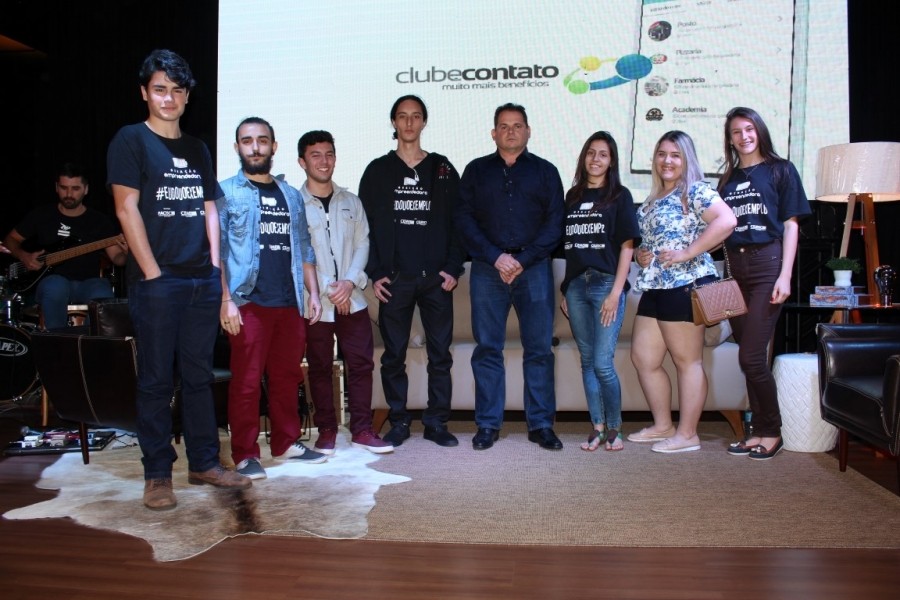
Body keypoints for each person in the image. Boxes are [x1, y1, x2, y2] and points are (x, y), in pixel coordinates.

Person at [107, 49, 251, 510]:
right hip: (158, 283)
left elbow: (210, 210)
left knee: (198, 377)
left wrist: (215, 269)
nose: (168, 98)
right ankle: (157, 474)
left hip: (201, 280)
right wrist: (152, 273)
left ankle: (204, 462)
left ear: (187, 96)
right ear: (144, 93)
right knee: (154, 380)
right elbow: (126, 208)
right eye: (159, 89)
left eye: (176, 90)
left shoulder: (197, 149)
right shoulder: (130, 140)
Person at [218, 117, 327, 481]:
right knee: (247, 382)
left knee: (286, 377)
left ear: (273, 146)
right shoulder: (225, 193)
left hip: (289, 302)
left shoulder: (291, 195)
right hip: (247, 302)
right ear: (237, 147)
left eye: (262, 140)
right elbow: (216, 252)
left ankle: (286, 442)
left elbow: (304, 248)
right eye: (247, 141)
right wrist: (225, 300)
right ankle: (245, 453)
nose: (255, 147)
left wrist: (313, 293)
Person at [456, 103, 565, 451]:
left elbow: (555, 224)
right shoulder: (475, 171)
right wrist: (497, 257)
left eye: (517, 125)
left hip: (534, 269)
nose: (511, 131)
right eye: (503, 126)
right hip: (488, 269)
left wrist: (523, 259)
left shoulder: (546, 172)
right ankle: (488, 424)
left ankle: (541, 425)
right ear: (494, 133)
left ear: (528, 131)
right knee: (488, 349)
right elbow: (464, 220)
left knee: (539, 349)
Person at [358, 95, 465, 448]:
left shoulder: (442, 168)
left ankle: (436, 423)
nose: (408, 123)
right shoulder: (377, 171)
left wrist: (453, 268)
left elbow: (459, 222)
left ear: (424, 122)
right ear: (393, 122)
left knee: (440, 355)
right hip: (395, 280)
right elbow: (364, 227)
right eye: (402, 116)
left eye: (415, 116)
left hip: (435, 279)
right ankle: (400, 421)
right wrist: (375, 272)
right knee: (393, 356)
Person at [629, 130, 736, 453]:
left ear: (686, 159)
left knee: (687, 361)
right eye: (662, 154)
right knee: (644, 358)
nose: (667, 160)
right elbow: (650, 241)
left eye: (675, 155)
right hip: (655, 286)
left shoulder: (696, 190)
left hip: (685, 284)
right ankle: (663, 426)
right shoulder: (652, 199)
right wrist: (641, 254)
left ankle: (688, 434)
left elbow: (727, 221)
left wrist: (688, 252)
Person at [718, 107, 810, 461]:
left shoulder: (780, 169)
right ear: (730, 139)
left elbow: (790, 225)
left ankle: (772, 431)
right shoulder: (726, 180)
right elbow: (719, 229)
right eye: (736, 131)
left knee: (751, 356)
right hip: (734, 269)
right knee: (749, 356)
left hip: (767, 264)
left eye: (749, 128)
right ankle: (756, 432)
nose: (744, 136)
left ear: (759, 131)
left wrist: (785, 275)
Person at [297, 130, 393, 455]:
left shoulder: (351, 201)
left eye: (329, 154)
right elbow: (298, 253)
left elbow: (363, 243)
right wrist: (329, 287)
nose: (324, 161)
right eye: (315, 155)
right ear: (302, 162)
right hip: (315, 301)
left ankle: (363, 429)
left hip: (353, 298)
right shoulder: (295, 205)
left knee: (361, 364)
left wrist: (349, 283)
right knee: (320, 366)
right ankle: (326, 430)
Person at [560, 132, 640, 452]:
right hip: (576, 287)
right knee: (587, 361)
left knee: (602, 363)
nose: (596, 159)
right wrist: (566, 290)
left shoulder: (619, 196)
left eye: (603, 154)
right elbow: (570, 248)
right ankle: (597, 426)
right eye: (591, 153)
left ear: (612, 161)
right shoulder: (572, 196)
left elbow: (627, 247)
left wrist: (616, 293)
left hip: (607, 285)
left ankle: (615, 428)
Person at [4, 163, 128, 329]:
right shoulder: (42, 215)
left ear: (86, 189)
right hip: (50, 283)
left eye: (75, 188)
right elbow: (10, 239)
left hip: (88, 283)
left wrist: (127, 253)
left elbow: (117, 258)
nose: (69, 194)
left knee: (102, 291)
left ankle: (89, 341)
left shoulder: (99, 221)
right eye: (64, 188)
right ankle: (57, 340)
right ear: (56, 187)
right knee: (56, 285)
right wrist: (24, 256)